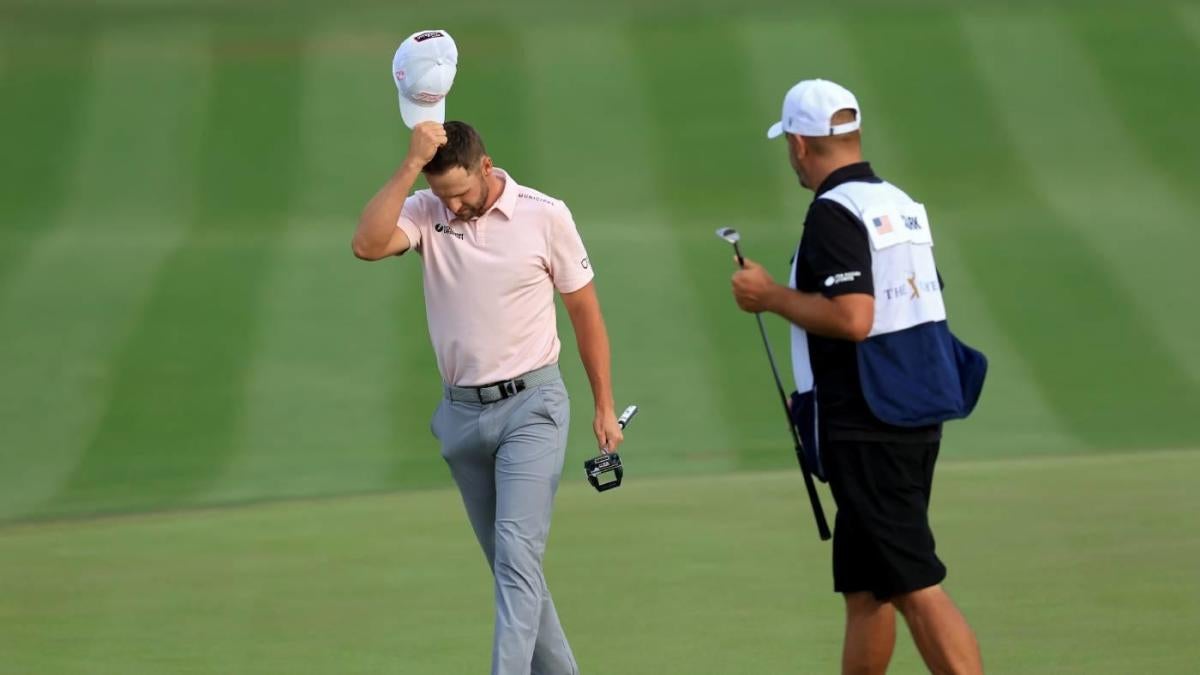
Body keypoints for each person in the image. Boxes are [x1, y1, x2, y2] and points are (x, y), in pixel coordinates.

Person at [729, 79, 987, 675]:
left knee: (915, 582)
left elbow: (854, 318)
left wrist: (770, 295)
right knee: (868, 589)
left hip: (868, 422)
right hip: (911, 404)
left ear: (798, 144)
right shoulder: (898, 203)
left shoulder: (832, 213)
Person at [353, 120, 623, 675]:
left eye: (463, 192)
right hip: (461, 415)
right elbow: (367, 244)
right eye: (444, 194)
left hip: (534, 407)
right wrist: (410, 168)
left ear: (485, 165)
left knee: (517, 563)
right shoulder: (428, 209)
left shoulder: (546, 215)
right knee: (512, 569)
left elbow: (585, 313)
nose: (457, 205)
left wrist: (603, 404)